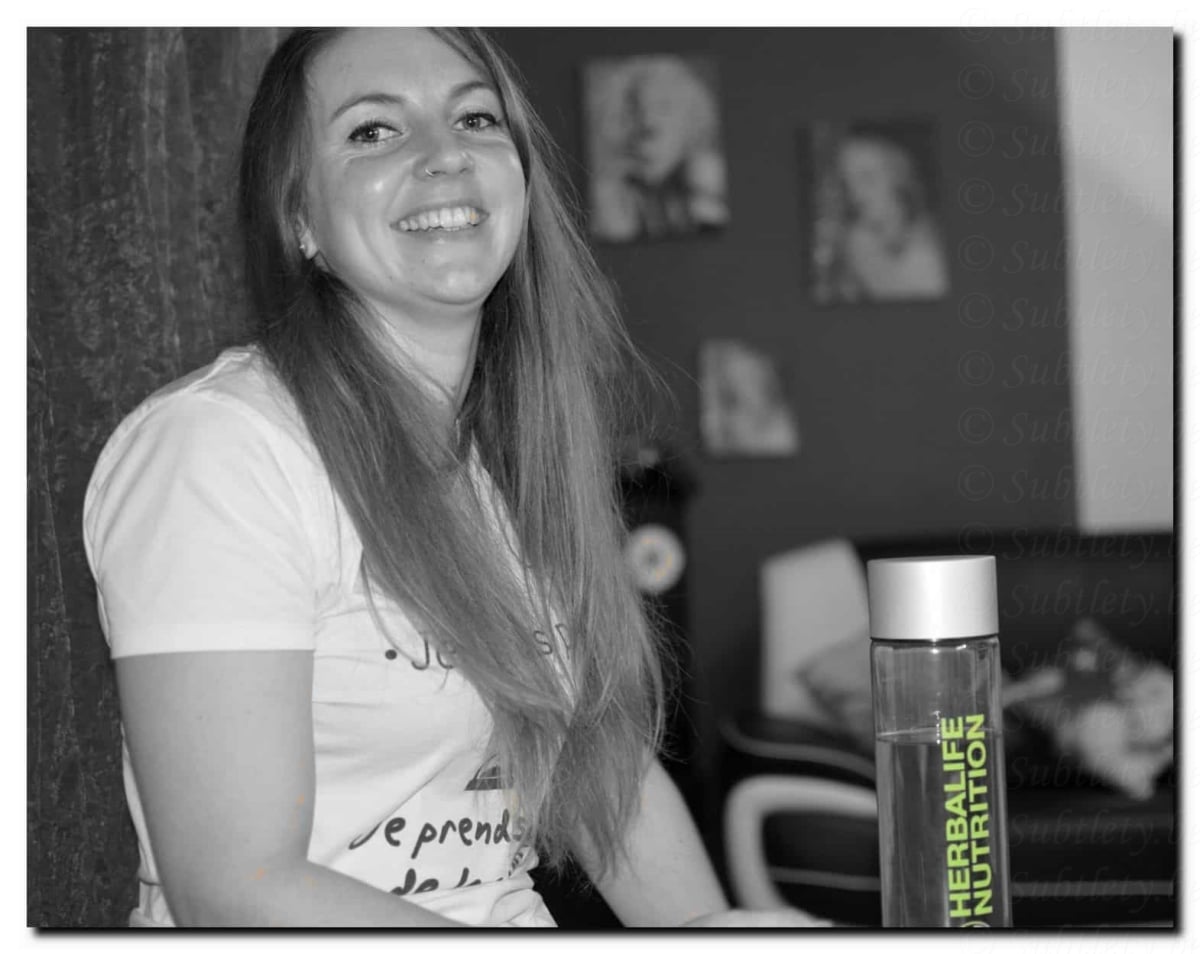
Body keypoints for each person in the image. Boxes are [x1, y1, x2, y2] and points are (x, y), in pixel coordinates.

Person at [83, 28, 827, 928]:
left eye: (476, 118)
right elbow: (238, 888)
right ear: (300, 218)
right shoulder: (220, 448)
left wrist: (715, 933)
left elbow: (602, 770)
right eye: (373, 131)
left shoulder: (507, 456)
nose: (445, 155)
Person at [588, 55, 729, 242]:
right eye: (635, 110)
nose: (648, 123)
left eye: (664, 108)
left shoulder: (707, 186)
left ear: (690, 118)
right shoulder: (608, 193)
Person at [821, 128, 949, 302]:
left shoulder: (932, 238)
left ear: (898, 175)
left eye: (867, 177)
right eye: (846, 182)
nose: (855, 194)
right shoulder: (856, 241)